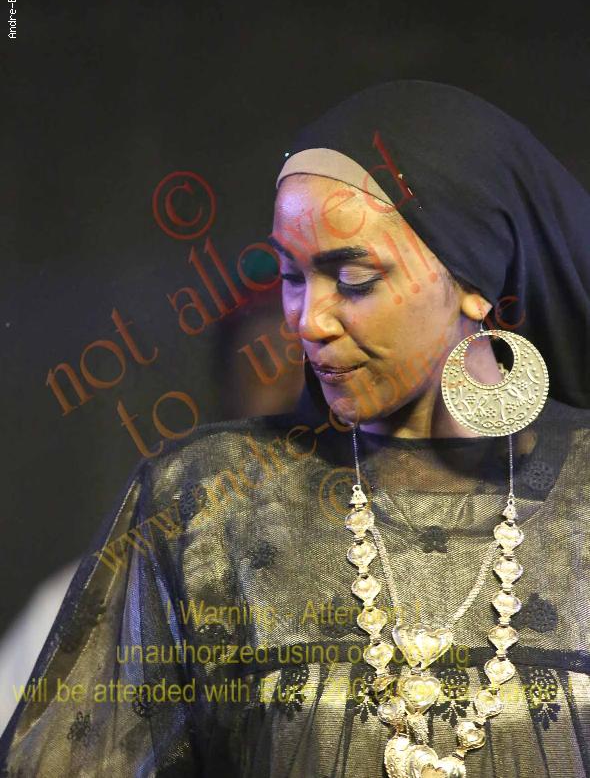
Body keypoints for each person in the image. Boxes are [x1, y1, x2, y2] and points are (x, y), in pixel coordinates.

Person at [1, 80, 589, 777]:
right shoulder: (210, 505)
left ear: (475, 278)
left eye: (354, 277)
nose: (307, 320)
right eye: (291, 275)